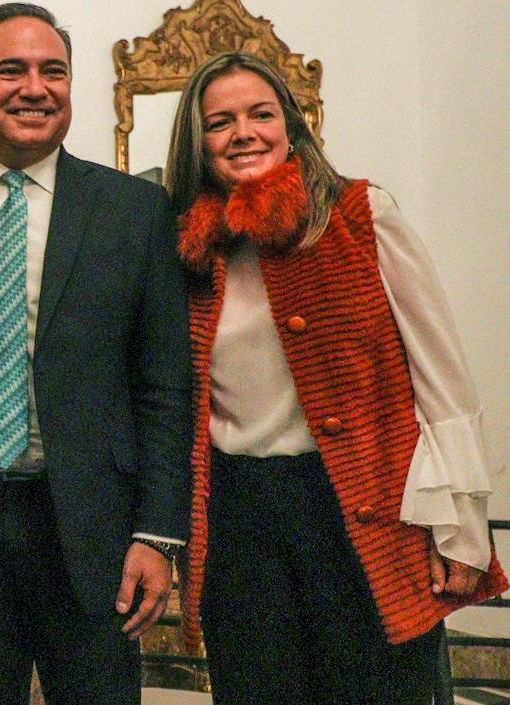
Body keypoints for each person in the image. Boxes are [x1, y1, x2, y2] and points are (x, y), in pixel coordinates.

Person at [165, 51, 509, 705]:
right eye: (221, 121)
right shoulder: (189, 251)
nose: (244, 132)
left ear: (291, 126)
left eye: (261, 114)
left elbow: (444, 382)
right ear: (197, 142)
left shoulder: (361, 215)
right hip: (241, 522)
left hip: (361, 512)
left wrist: (463, 527)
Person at [0, 4, 192, 703]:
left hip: (93, 529)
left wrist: (158, 532)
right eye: (10, 70)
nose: (34, 87)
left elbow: (165, 386)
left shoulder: (134, 211)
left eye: (53, 71)